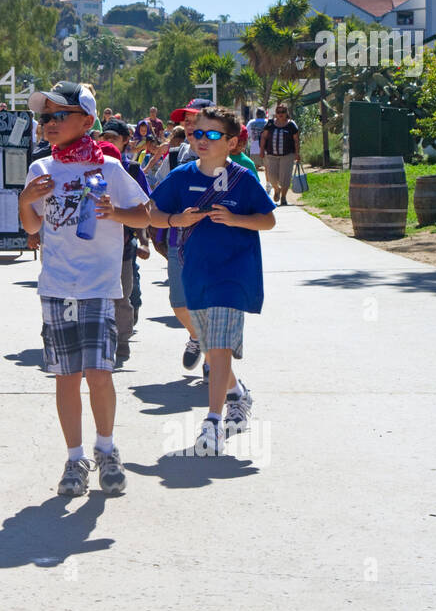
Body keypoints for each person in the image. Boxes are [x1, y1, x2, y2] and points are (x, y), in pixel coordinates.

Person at [19, 82, 150, 496]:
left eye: (60, 115)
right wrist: (26, 201)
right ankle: (74, 459)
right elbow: (32, 226)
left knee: (99, 373)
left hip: (97, 287)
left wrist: (118, 212)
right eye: (45, 117)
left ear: (88, 121)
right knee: (66, 376)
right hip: (57, 287)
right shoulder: (41, 170)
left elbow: (146, 214)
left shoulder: (110, 169)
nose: (49, 124)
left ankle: (106, 450)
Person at [146, 106, 276, 454]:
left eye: (213, 135)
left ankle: (213, 422)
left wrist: (236, 220)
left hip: (234, 275)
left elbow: (267, 221)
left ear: (232, 142)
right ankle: (238, 393)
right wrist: (176, 221)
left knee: (217, 347)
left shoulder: (244, 179)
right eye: (198, 133)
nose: (202, 140)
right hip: (196, 273)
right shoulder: (182, 175)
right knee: (210, 344)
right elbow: (152, 213)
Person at [98, 119, 151, 364]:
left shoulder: (131, 170)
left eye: (113, 138)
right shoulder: (87, 170)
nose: (107, 141)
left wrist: (144, 241)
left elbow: (144, 209)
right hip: (93, 248)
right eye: (104, 137)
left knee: (123, 295)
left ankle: (122, 342)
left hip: (123, 245)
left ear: (124, 141)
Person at [260, 103, 301, 205]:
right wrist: (261, 150)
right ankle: (276, 189)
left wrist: (297, 153)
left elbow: (296, 140)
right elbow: (264, 137)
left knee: (285, 178)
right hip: (271, 155)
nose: (280, 114)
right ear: (276, 113)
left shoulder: (291, 125)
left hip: (287, 156)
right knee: (271, 176)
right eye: (278, 112)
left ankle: (283, 197)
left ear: (286, 113)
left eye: (283, 112)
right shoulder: (270, 124)